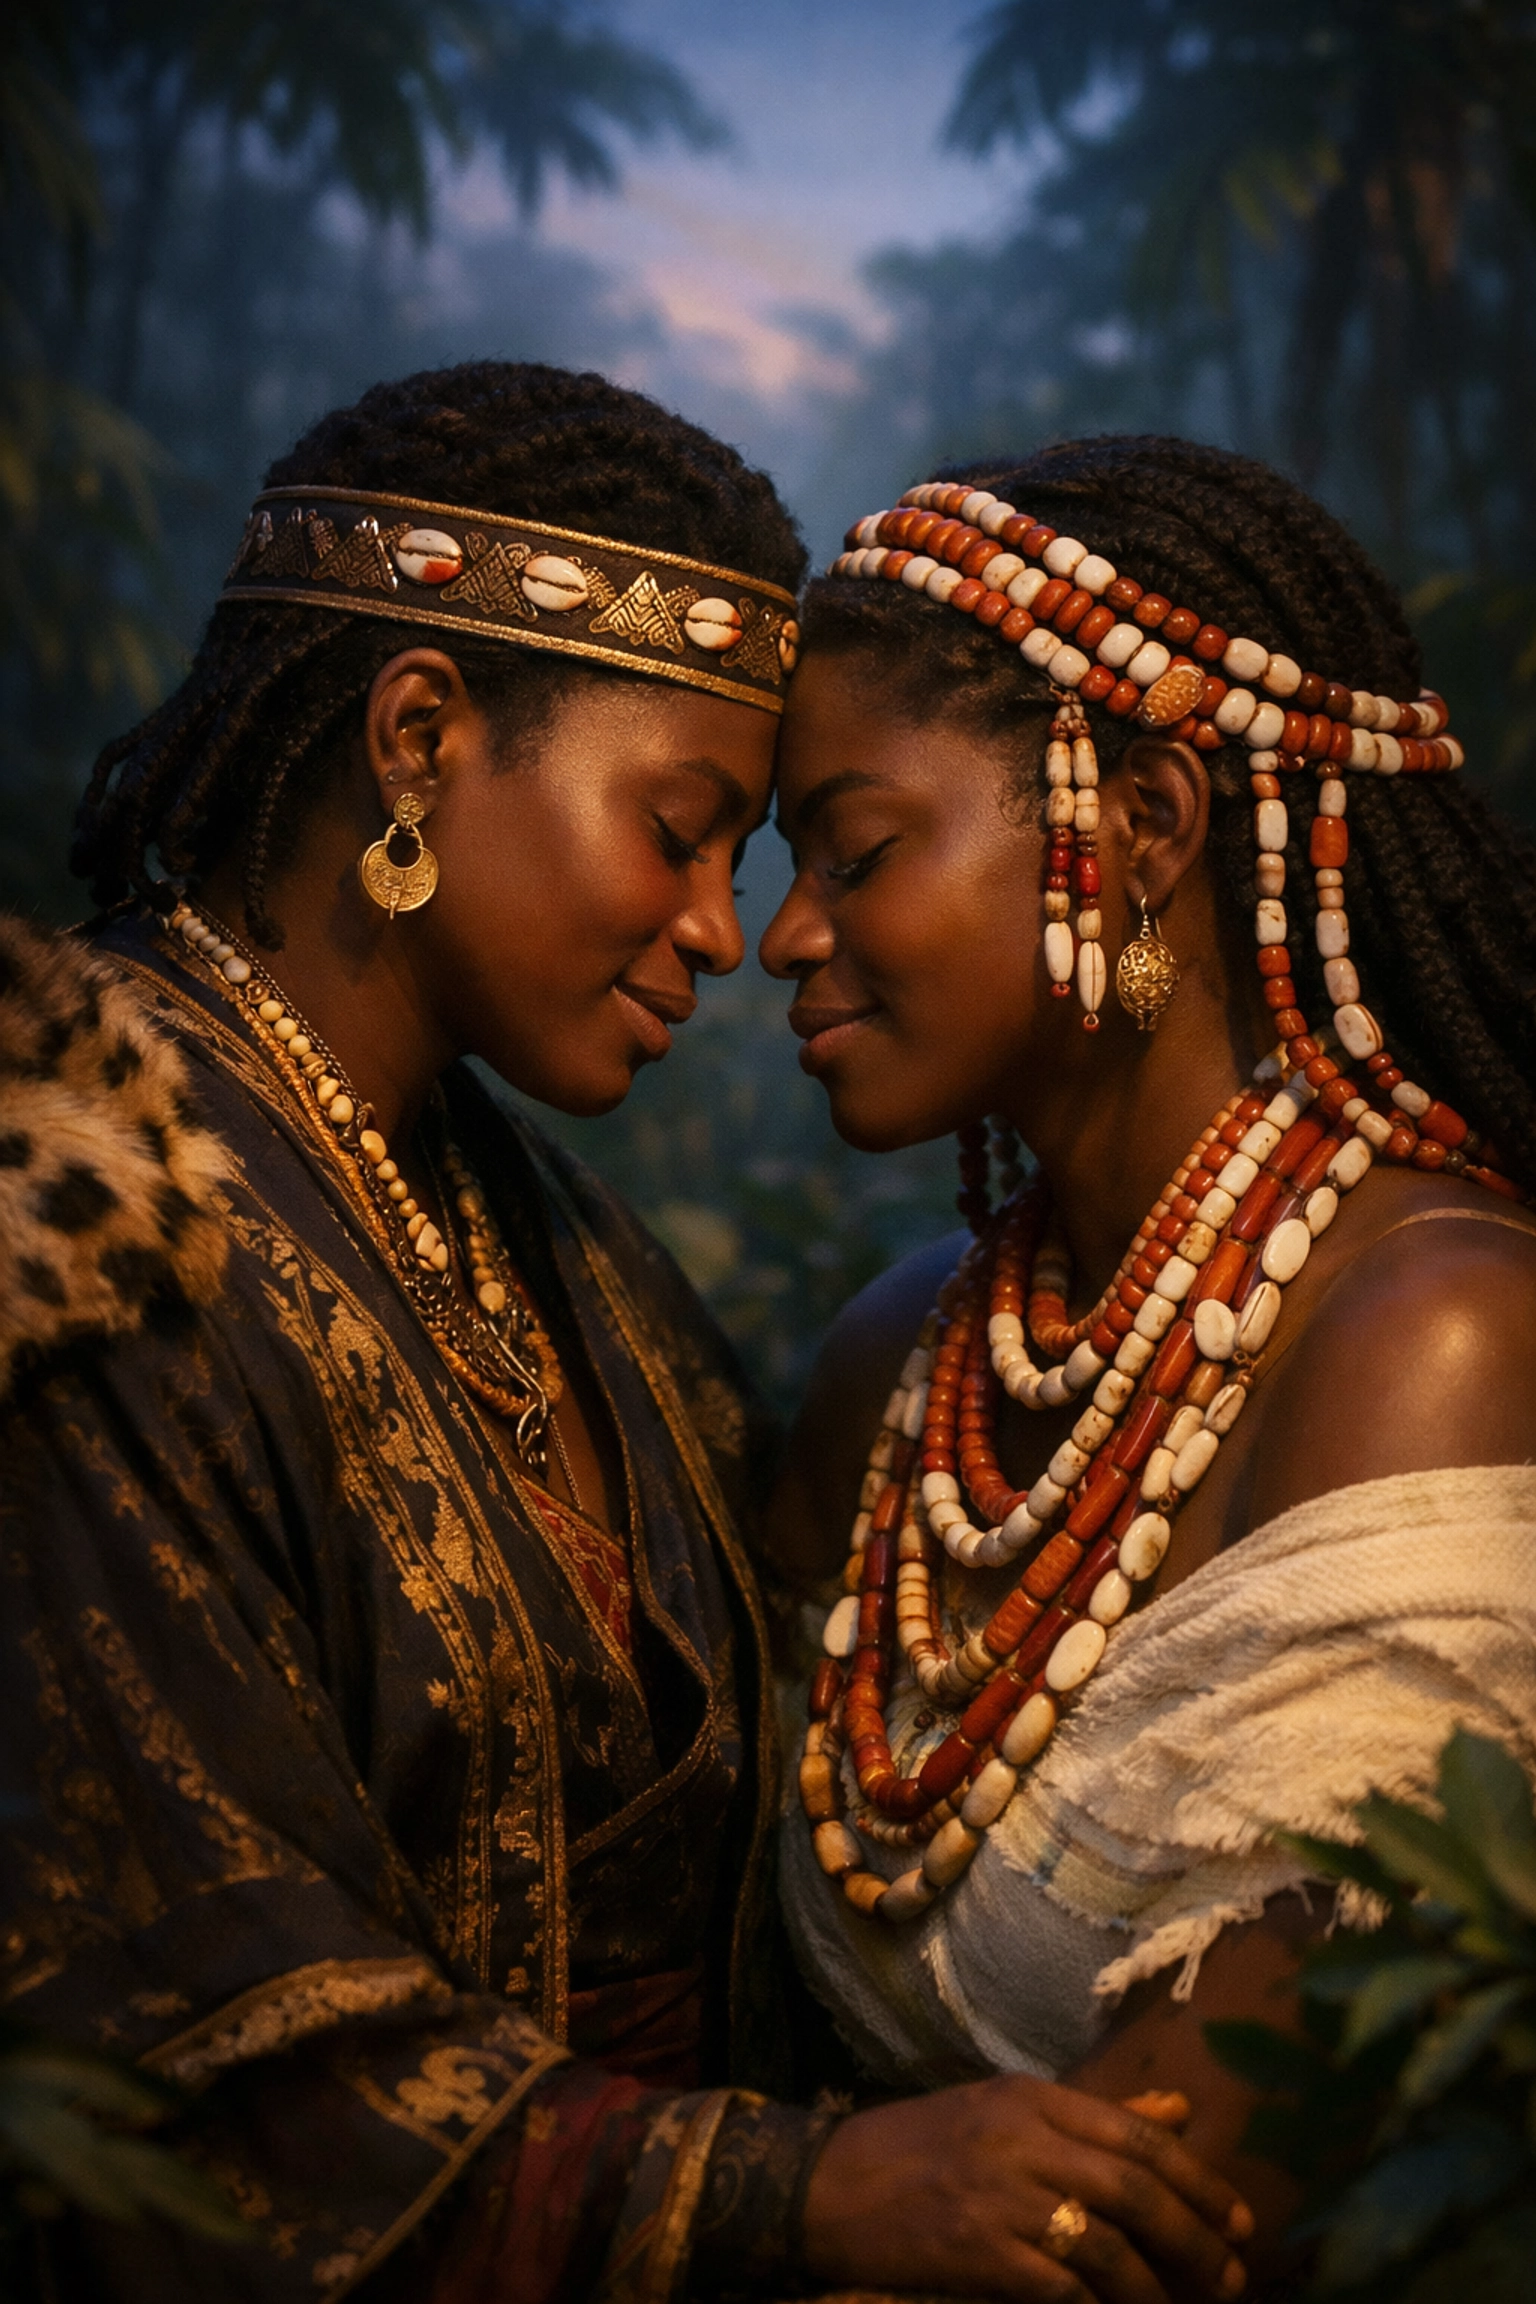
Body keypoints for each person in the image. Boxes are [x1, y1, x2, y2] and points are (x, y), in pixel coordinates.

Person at [0, 369, 1252, 2304]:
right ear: (419, 736)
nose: (723, 930)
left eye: (751, 860)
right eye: (680, 833)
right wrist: (804, 2197)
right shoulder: (79, 1212)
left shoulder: (536, 1217)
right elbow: (184, 2030)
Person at [764, 436, 1536, 2264]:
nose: (783, 938)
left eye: (859, 851)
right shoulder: (899, 1363)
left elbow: (1144, 2228)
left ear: (1148, 827)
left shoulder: (1439, 1338)